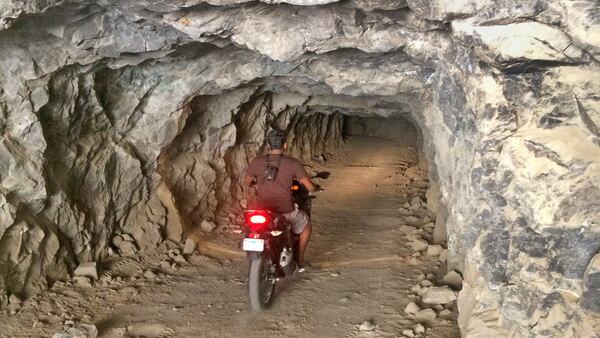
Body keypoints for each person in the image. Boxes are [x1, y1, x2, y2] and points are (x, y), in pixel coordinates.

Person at [243, 129, 321, 272]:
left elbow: (247, 182)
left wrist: (257, 184)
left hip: (262, 209)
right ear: (285, 145)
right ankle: (300, 259)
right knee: (306, 226)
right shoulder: (292, 163)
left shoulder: (257, 161)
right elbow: (309, 186)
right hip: (285, 210)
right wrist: (316, 187)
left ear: (268, 145)